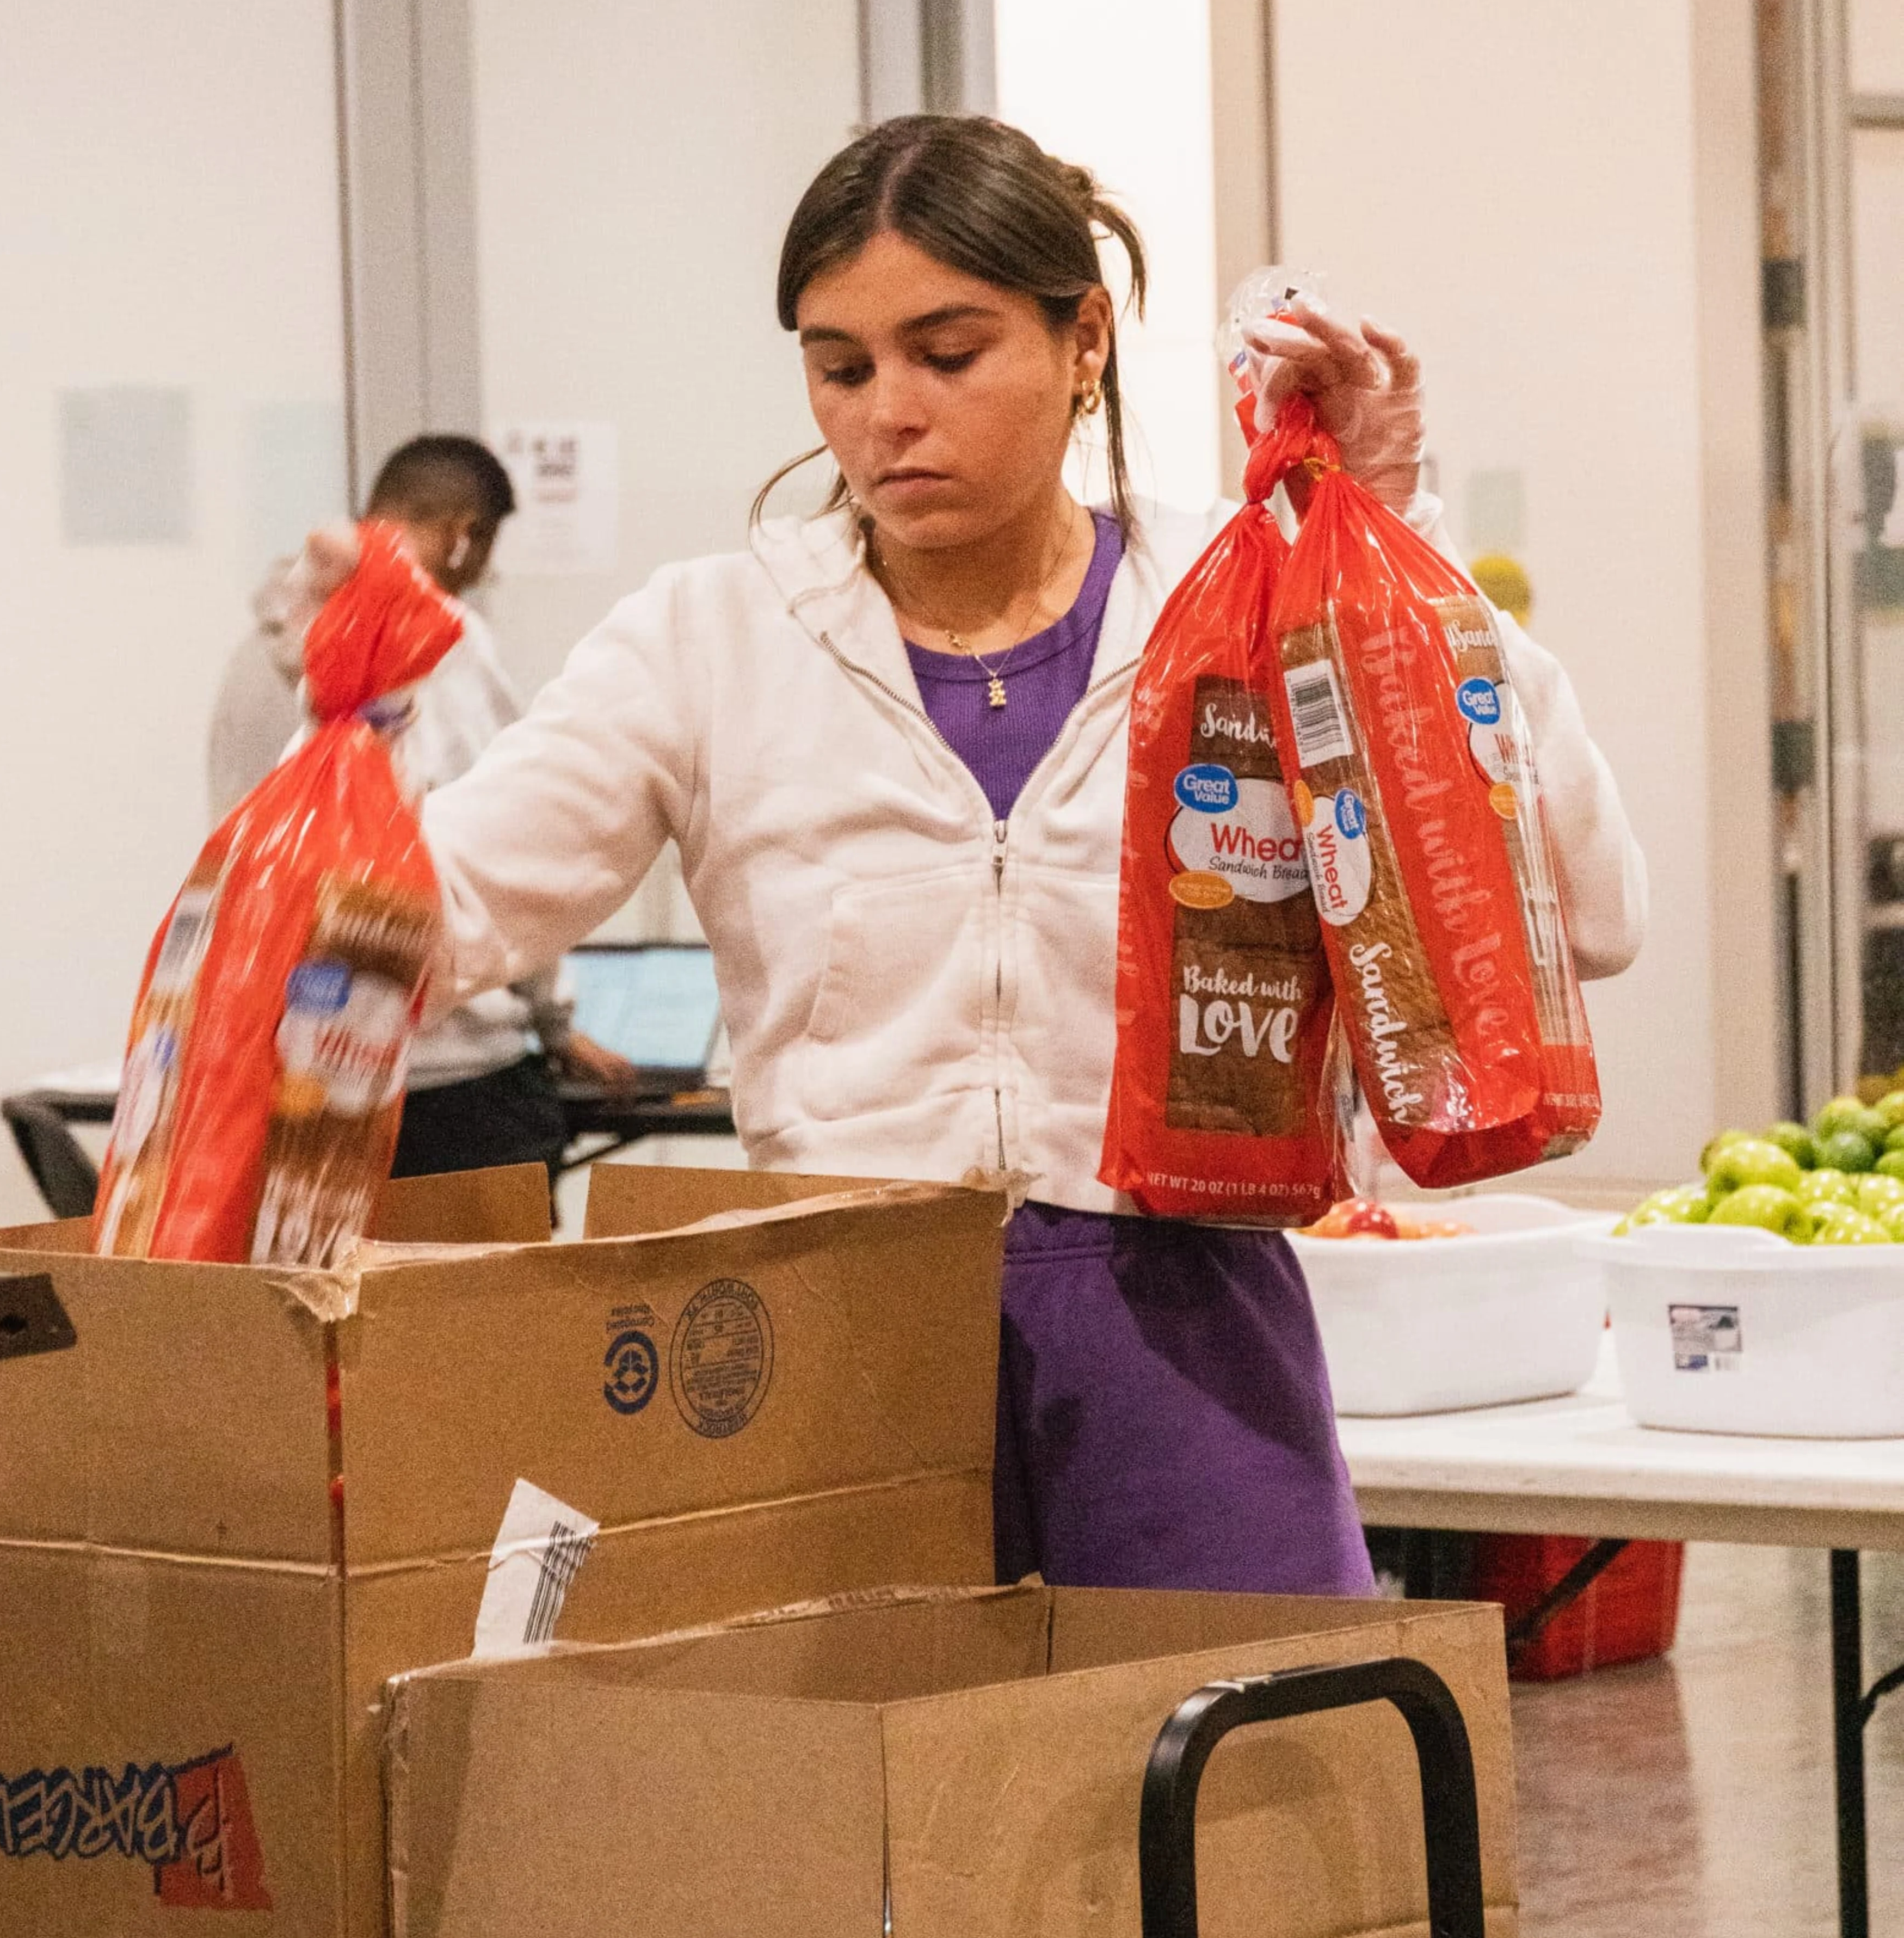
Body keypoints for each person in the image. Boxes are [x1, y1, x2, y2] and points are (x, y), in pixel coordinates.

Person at [296, 119, 1645, 1591]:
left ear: (1085, 342)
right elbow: (430, 915)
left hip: (1185, 1334)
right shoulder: (712, 638)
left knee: (1233, 1792)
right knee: (882, 1811)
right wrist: (336, 772)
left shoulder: (1236, 598)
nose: (891, 414)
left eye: (950, 352)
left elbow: (1583, 905)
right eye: (843, 364)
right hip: (836, 1349)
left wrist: (1379, 548)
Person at [214, 433, 633, 1178]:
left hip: (298, 1060)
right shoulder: (437, 639)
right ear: (464, 534)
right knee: (481, 1298)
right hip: (451, 1071)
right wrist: (554, 1021)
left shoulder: (256, 655)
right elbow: (506, 833)